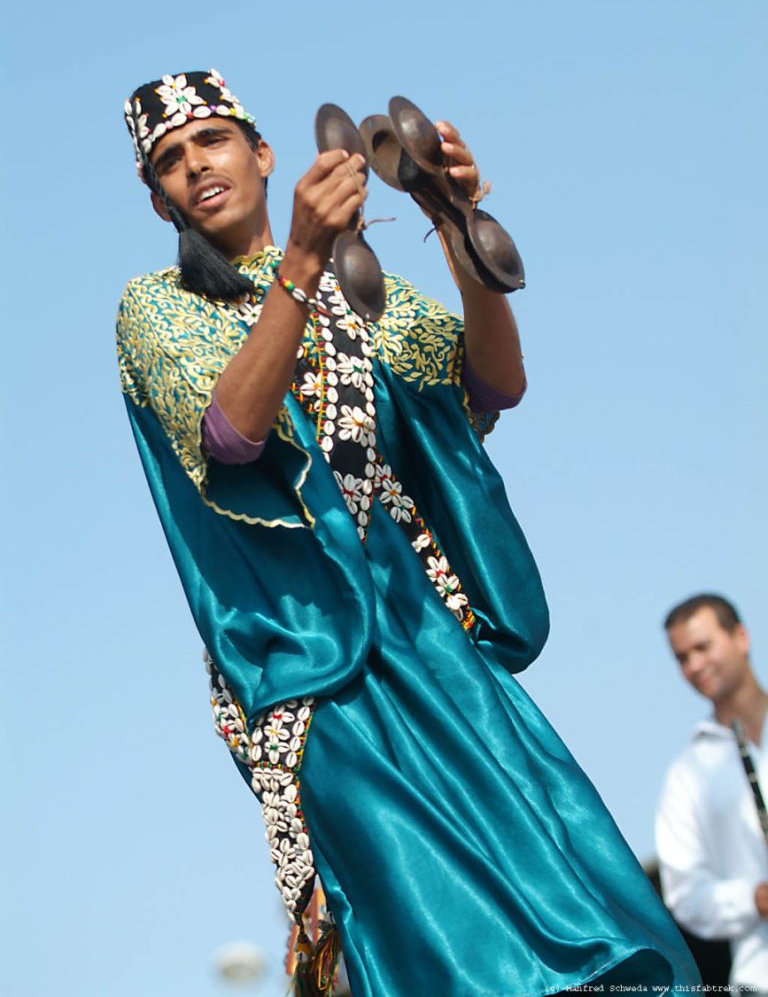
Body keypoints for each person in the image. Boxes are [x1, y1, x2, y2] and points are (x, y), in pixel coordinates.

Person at [117, 68, 699, 997]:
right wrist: (301, 263)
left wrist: (457, 229)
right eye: (170, 164)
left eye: (212, 143)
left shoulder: (360, 284)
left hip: (424, 636)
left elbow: (487, 385)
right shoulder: (157, 307)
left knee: (557, 889)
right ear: (158, 202)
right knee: (427, 916)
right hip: (309, 660)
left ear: (262, 155)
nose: (197, 168)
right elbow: (231, 432)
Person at [656, 593, 768, 994]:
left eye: (703, 647)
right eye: (682, 658)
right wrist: (755, 898)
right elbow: (685, 896)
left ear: (741, 637)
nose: (695, 666)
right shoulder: (686, 774)